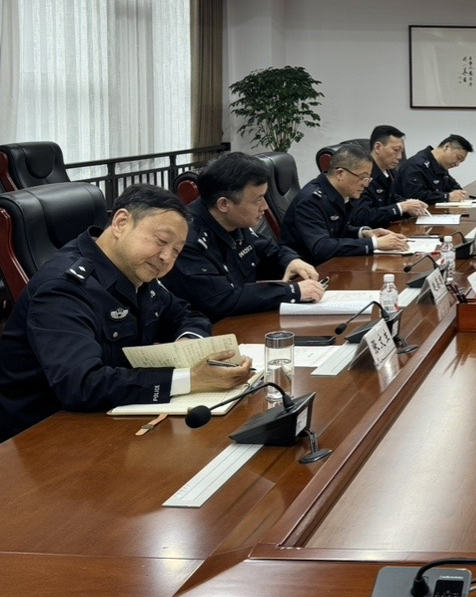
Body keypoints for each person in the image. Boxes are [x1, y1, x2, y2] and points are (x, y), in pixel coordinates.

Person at [0, 184, 254, 442]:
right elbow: (81, 384)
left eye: (176, 251)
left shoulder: (136, 272)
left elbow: (189, 315)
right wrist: (191, 379)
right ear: (121, 223)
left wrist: (188, 345)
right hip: (43, 436)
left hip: (113, 415)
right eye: (161, 241)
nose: (166, 258)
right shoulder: (64, 288)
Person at [163, 152, 325, 321]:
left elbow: (267, 249)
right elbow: (221, 301)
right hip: (216, 329)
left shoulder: (233, 222)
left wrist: (291, 260)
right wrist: (291, 291)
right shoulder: (187, 239)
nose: (265, 207)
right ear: (224, 204)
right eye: (258, 200)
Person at [282, 142, 409, 264]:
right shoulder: (311, 201)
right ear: (340, 174)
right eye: (362, 178)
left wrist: (363, 233)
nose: (366, 185)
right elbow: (321, 247)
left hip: (333, 263)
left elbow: (336, 230)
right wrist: (374, 243)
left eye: (368, 179)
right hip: (310, 270)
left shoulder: (341, 193)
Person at [350, 125, 431, 229]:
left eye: (401, 152)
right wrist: (400, 207)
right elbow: (362, 216)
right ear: (378, 147)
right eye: (396, 150)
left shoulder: (390, 171)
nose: (400, 157)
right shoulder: (362, 174)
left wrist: (409, 205)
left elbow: (392, 197)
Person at [394, 134, 473, 205]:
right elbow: (414, 196)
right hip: (411, 215)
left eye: (461, 161)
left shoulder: (440, 165)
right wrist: (447, 196)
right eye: (458, 158)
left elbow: (453, 186)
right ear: (446, 147)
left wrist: (459, 193)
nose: (457, 164)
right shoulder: (416, 165)